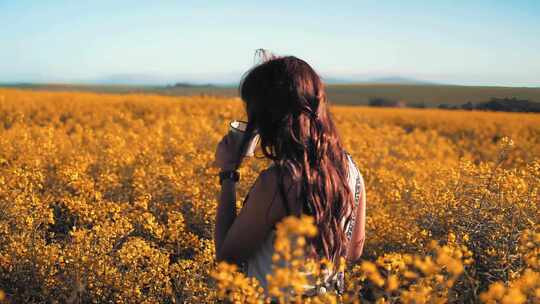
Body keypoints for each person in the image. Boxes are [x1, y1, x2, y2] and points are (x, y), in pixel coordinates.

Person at [213, 50, 366, 297]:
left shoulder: (278, 182)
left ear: (268, 115)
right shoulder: (350, 168)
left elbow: (227, 258)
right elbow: (353, 251)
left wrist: (228, 174)